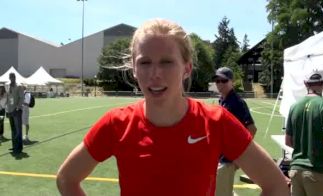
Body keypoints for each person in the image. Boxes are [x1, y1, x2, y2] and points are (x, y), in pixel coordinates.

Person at [56, 18, 289, 196]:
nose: (155, 74)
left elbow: (276, 185)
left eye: (167, 62)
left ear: (186, 68)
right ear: (134, 70)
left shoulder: (216, 121)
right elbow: (67, 179)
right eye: (144, 63)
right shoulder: (116, 124)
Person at [285, 69, 323, 196]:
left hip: (296, 170)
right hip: (318, 170)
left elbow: (288, 141)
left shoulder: (294, 107)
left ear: (305, 84)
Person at [213, 66, 257, 196]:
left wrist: (238, 156)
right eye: (217, 81)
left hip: (227, 159)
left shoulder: (237, 103)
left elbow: (252, 129)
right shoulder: (223, 100)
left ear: (232, 82)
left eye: (224, 81)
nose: (220, 84)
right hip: (220, 157)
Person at [6, 73, 24, 154]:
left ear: (15, 77)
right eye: (10, 77)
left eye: (12, 77)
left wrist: (18, 107)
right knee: (13, 129)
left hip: (16, 111)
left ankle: (19, 148)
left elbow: (21, 98)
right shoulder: (8, 86)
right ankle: (14, 146)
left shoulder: (19, 86)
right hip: (10, 110)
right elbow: (8, 98)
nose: (11, 78)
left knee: (18, 130)